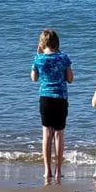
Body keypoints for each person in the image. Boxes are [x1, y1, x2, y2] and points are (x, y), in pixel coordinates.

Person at [30, 28, 73, 181]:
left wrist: (37, 55)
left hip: (45, 98)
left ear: (42, 43)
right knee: (59, 135)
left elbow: (34, 78)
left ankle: (47, 170)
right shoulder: (63, 58)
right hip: (60, 98)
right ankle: (58, 170)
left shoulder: (38, 59)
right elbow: (70, 79)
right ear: (57, 42)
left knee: (47, 134)